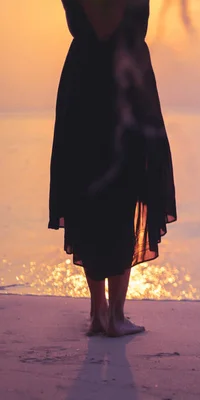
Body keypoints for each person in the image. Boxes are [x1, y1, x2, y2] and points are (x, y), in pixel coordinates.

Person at [48, 0, 177, 337]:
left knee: (89, 190)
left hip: (84, 79)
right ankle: (114, 316)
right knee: (125, 188)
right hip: (120, 80)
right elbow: (111, 26)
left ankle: (98, 312)